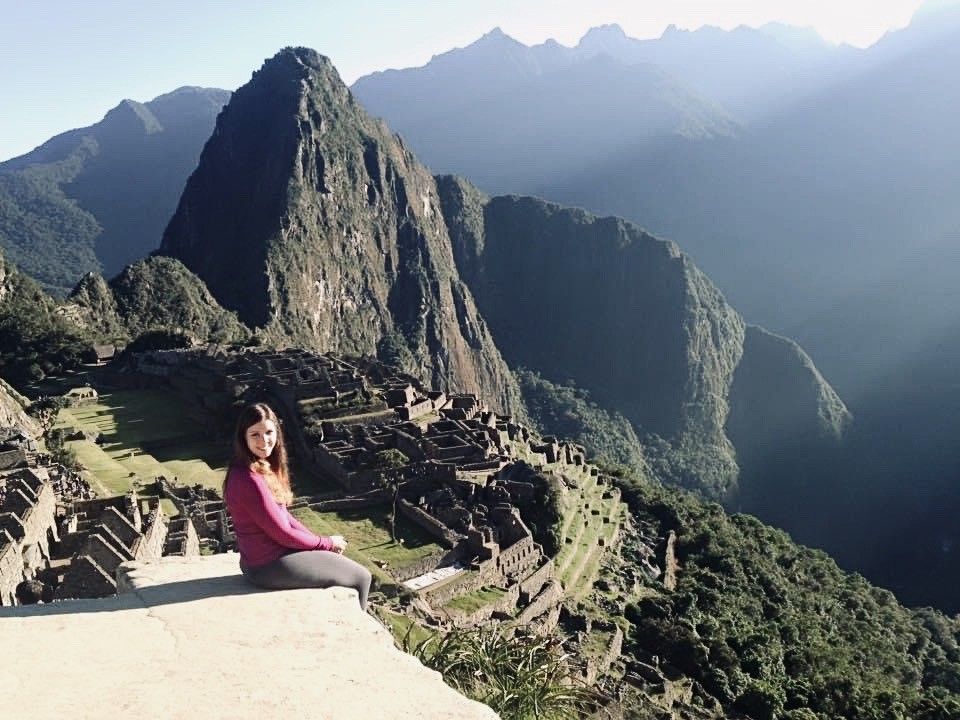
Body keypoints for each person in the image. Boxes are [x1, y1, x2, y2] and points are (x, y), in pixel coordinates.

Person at [223, 402, 372, 610]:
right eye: (255, 434)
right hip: (268, 565)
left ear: (277, 433)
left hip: (259, 559)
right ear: (243, 437)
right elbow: (282, 532)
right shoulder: (249, 479)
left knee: (334, 561)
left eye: (268, 432)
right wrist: (326, 543)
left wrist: (319, 544)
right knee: (362, 577)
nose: (264, 440)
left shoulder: (258, 467)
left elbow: (285, 516)